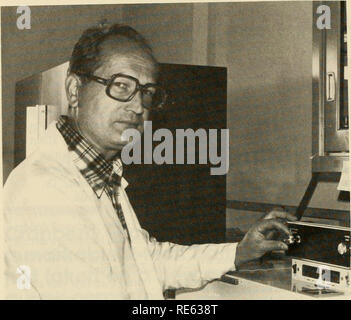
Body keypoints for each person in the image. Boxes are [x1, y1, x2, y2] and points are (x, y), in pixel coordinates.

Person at [4, 23, 296, 299]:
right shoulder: (43, 189)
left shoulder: (102, 175)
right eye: (121, 85)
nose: (137, 106)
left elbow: (148, 261)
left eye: (147, 92)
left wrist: (239, 251)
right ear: (74, 90)